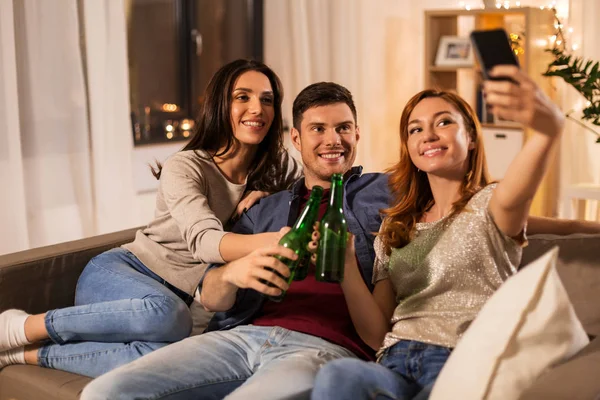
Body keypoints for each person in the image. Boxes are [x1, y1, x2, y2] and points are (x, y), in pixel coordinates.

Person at [79, 80, 598, 400]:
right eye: (318, 129)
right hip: (240, 337)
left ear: (357, 135)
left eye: (345, 128)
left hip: (326, 347)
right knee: (106, 392)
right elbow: (209, 298)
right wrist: (234, 271)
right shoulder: (268, 209)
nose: (333, 140)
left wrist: (582, 223)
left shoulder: (389, 194)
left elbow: (487, 206)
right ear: (295, 140)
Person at [0, 59, 299, 377]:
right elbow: (204, 242)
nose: (257, 108)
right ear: (220, 105)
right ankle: (23, 326)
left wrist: (273, 198)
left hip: (173, 306)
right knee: (170, 316)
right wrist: (276, 242)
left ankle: (26, 355)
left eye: (267, 100)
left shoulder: (275, 173)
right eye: (243, 97)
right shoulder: (185, 167)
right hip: (120, 275)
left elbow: (310, 195)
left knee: (174, 358)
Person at [310, 65, 569, 400]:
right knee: (337, 376)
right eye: (415, 129)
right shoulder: (395, 227)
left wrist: (549, 129)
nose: (428, 135)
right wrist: (345, 267)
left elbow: (522, 185)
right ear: (410, 149)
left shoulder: (492, 206)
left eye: (444, 122)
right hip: (393, 362)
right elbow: (375, 334)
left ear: (471, 138)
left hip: (461, 363)